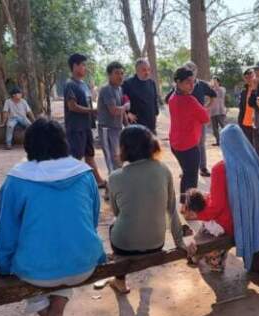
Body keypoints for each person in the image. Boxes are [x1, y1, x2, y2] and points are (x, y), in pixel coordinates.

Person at [0, 119, 106, 316]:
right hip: (83, 263)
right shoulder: (85, 173)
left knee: (31, 270)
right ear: (64, 142)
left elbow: (6, 232)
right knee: (65, 256)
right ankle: (55, 315)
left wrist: (2, 266)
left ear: (28, 145)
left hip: (37, 271)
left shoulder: (17, 179)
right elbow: (90, 221)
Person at [105, 125, 196, 292]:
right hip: (156, 243)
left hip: (123, 246)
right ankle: (120, 278)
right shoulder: (163, 169)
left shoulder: (114, 177)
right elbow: (172, 209)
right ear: (151, 145)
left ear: (124, 148)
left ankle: (120, 281)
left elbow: (117, 213)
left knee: (114, 223)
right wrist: (179, 242)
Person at [182, 124, 259, 271]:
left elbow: (216, 207)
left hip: (232, 225)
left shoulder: (220, 169)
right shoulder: (254, 163)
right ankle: (211, 255)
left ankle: (212, 255)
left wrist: (198, 215)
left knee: (206, 227)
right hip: (254, 220)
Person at [165, 62, 217, 177]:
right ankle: (187, 170)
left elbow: (213, 95)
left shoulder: (202, 84)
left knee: (200, 144)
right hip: (184, 129)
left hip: (198, 121)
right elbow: (167, 100)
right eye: (188, 69)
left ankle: (202, 167)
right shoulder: (177, 92)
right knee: (190, 172)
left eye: (193, 69)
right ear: (179, 82)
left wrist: (206, 108)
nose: (191, 71)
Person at [64, 53, 106, 187]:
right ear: (75, 66)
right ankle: (68, 184)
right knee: (75, 157)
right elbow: (72, 106)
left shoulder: (83, 84)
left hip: (86, 126)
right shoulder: (70, 84)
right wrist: (92, 111)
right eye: (83, 65)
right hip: (76, 127)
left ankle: (98, 181)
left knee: (89, 154)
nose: (85, 68)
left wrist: (94, 113)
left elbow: (87, 103)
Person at [168, 67, 209, 204]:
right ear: (178, 82)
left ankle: (184, 204)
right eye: (188, 82)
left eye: (193, 82)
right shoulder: (190, 100)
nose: (192, 85)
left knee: (186, 174)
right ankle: (190, 209)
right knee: (191, 179)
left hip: (175, 144)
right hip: (189, 146)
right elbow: (205, 118)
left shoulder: (172, 97)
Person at [97, 61, 130, 174]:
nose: (120, 76)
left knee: (119, 159)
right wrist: (126, 106)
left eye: (121, 73)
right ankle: (112, 188)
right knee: (112, 161)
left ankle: (117, 186)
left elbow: (121, 112)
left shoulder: (119, 89)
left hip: (117, 129)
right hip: (107, 129)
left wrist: (128, 127)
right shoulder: (107, 90)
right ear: (109, 75)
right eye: (117, 73)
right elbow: (114, 111)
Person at [122, 58, 160, 134]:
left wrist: (155, 114)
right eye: (144, 70)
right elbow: (121, 100)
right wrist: (127, 113)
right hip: (136, 124)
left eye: (148, 69)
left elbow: (154, 100)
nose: (147, 72)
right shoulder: (128, 84)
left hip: (151, 124)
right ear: (137, 70)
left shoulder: (151, 83)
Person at [237, 68, 256, 141]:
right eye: (246, 78)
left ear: (254, 76)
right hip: (245, 123)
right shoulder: (243, 92)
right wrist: (240, 122)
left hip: (256, 124)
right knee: (248, 146)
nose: (249, 79)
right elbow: (241, 108)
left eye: (251, 77)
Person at [209, 76, 227, 146]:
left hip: (220, 111)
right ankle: (218, 141)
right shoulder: (211, 90)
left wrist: (213, 86)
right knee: (215, 129)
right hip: (213, 112)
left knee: (224, 127)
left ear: (219, 82)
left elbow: (219, 92)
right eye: (213, 81)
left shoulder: (222, 89)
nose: (214, 82)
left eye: (215, 81)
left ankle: (227, 141)